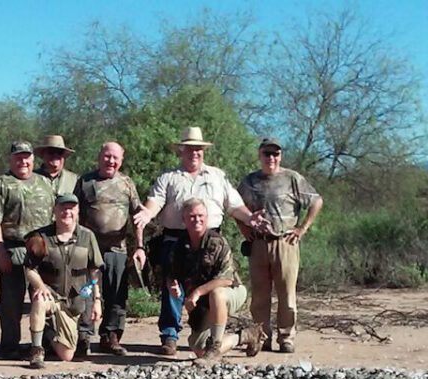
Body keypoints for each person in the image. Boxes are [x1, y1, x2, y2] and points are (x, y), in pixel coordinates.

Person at [132, 126, 262, 356]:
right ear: (181, 150)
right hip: (174, 239)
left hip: (210, 241)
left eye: (198, 149)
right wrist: (146, 214)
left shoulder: (217, 176)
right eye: (190, 149)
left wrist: (251, 219)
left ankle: (215, 334)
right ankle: (170, 335)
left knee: (211, 289)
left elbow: (234, 206)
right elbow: (155, 202)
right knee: (172, 287)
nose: (195, 153)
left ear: (203, 151)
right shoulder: (169, 178)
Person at [236, 137, 324, 354]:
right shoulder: (249, 182)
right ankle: (261, 337)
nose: (271, 158)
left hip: (286, 243)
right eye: (267, 153)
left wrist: (302, 228)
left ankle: (286, 338)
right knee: (259, 296)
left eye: (276, 154)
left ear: (281, 156)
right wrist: (245, 231)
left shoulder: (292, 178)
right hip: (258, 244)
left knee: (287, 295)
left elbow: (316, 201)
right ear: (260, 155)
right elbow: (235, 207)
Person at [0, 140, 55, 359]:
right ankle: (9, 346)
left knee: (42, 298)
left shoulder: (44, 183)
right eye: (18, 157)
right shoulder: (2, 183)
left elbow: (54, 216)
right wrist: (0, 251)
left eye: (26, 157)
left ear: (33, 159)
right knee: (11, 304)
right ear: (11, 159)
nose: (22, 161)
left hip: (42, 250)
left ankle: (41, 344)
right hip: (13, 249)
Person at [76, 141, 145, 356]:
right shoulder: (86, 181)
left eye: (115, 157)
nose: (110, 161)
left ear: (121, 160)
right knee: (86, 293)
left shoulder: (126, 183)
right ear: (99, 157)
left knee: (116, 294)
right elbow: (73, 213)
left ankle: (111, 337)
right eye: (107, 156)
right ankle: (84, 337)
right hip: (89, 249)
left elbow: (138, 216)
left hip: (117, 249)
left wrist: (140, 246)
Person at [24, 193, 103, 369]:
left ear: (78, 211)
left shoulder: (87, 236)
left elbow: (94, 271)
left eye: (71, 208)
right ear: (55, 210)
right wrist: (40, 285)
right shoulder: (40, 237)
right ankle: (36, 349)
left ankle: (47, 333)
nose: (67, 212)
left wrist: (97, 300)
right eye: (63, 208)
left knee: (66, 355)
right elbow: (30, 269)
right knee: (39, 299)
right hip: (51, 296)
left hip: (74, 302)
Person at [168, 198, 248, 363]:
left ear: (207, 217)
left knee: (216, 293)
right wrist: (173, 285)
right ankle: (244, 336)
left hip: (232, 291)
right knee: (198, 348)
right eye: (191, 216)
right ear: (184, 219)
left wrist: (197, 292)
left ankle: (215, 347)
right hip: (204, 302)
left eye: (200, 215)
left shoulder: (216, 242)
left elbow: (226, 279)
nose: (196, 219)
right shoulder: (180, 246)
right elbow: (171, 274)